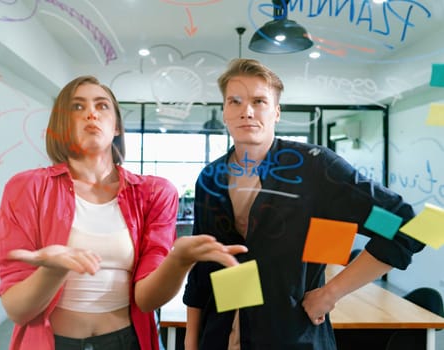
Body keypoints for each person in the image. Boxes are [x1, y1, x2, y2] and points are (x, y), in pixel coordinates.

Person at [0, 75, 247, 350]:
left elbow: (146, 300)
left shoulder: (154, 193)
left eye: (102, 106)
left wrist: (179, 260)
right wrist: (53, 270)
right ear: (61, 125)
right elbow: (18, 310)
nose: (90, 113)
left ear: (117, 126)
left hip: (125, 342)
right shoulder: (28, 188)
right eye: (77, 107)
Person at [182, 58, 425, 350]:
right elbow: (202, 270)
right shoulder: (211, 178)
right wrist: (191, 340)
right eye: (235, 101)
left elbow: (403, 227)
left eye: (259, 101)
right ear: (224, 111)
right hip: (221, 336)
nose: (246, 111)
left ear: (277, 112)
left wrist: (330, 294)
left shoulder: (316, 170)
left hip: (292, 337)